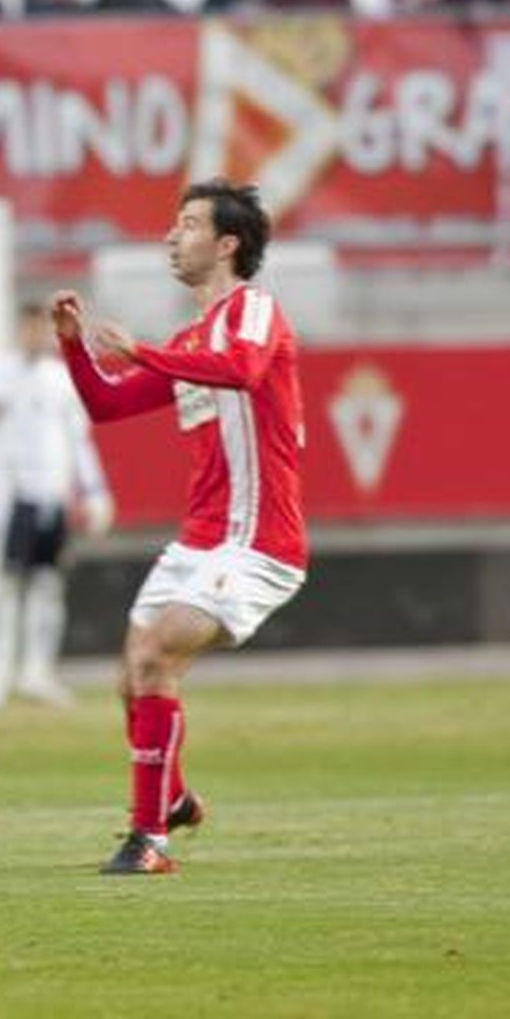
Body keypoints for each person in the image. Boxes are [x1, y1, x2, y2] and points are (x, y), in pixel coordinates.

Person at [52, 179, 308, 875]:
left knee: (157, 655)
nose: (171, 235)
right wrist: (74, 348)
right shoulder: (190, 340)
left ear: (227, 244)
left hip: (258, 542)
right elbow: (107, 406)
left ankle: (149, 842)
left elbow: (244, 369)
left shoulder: (254, 310)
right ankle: (172, 798)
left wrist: (141, 352)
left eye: (188, 224)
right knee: (131, 679)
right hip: (199, 540)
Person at [0, 301, 112, 709]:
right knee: (3, 584)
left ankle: (37, 671)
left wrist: (94, 492)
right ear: (17, 329)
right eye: (28, 328)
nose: (35, 336)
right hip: (9, 498)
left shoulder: (61, 380)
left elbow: (78, 440)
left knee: (47, 584)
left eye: (41, 329)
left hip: (51, 495)